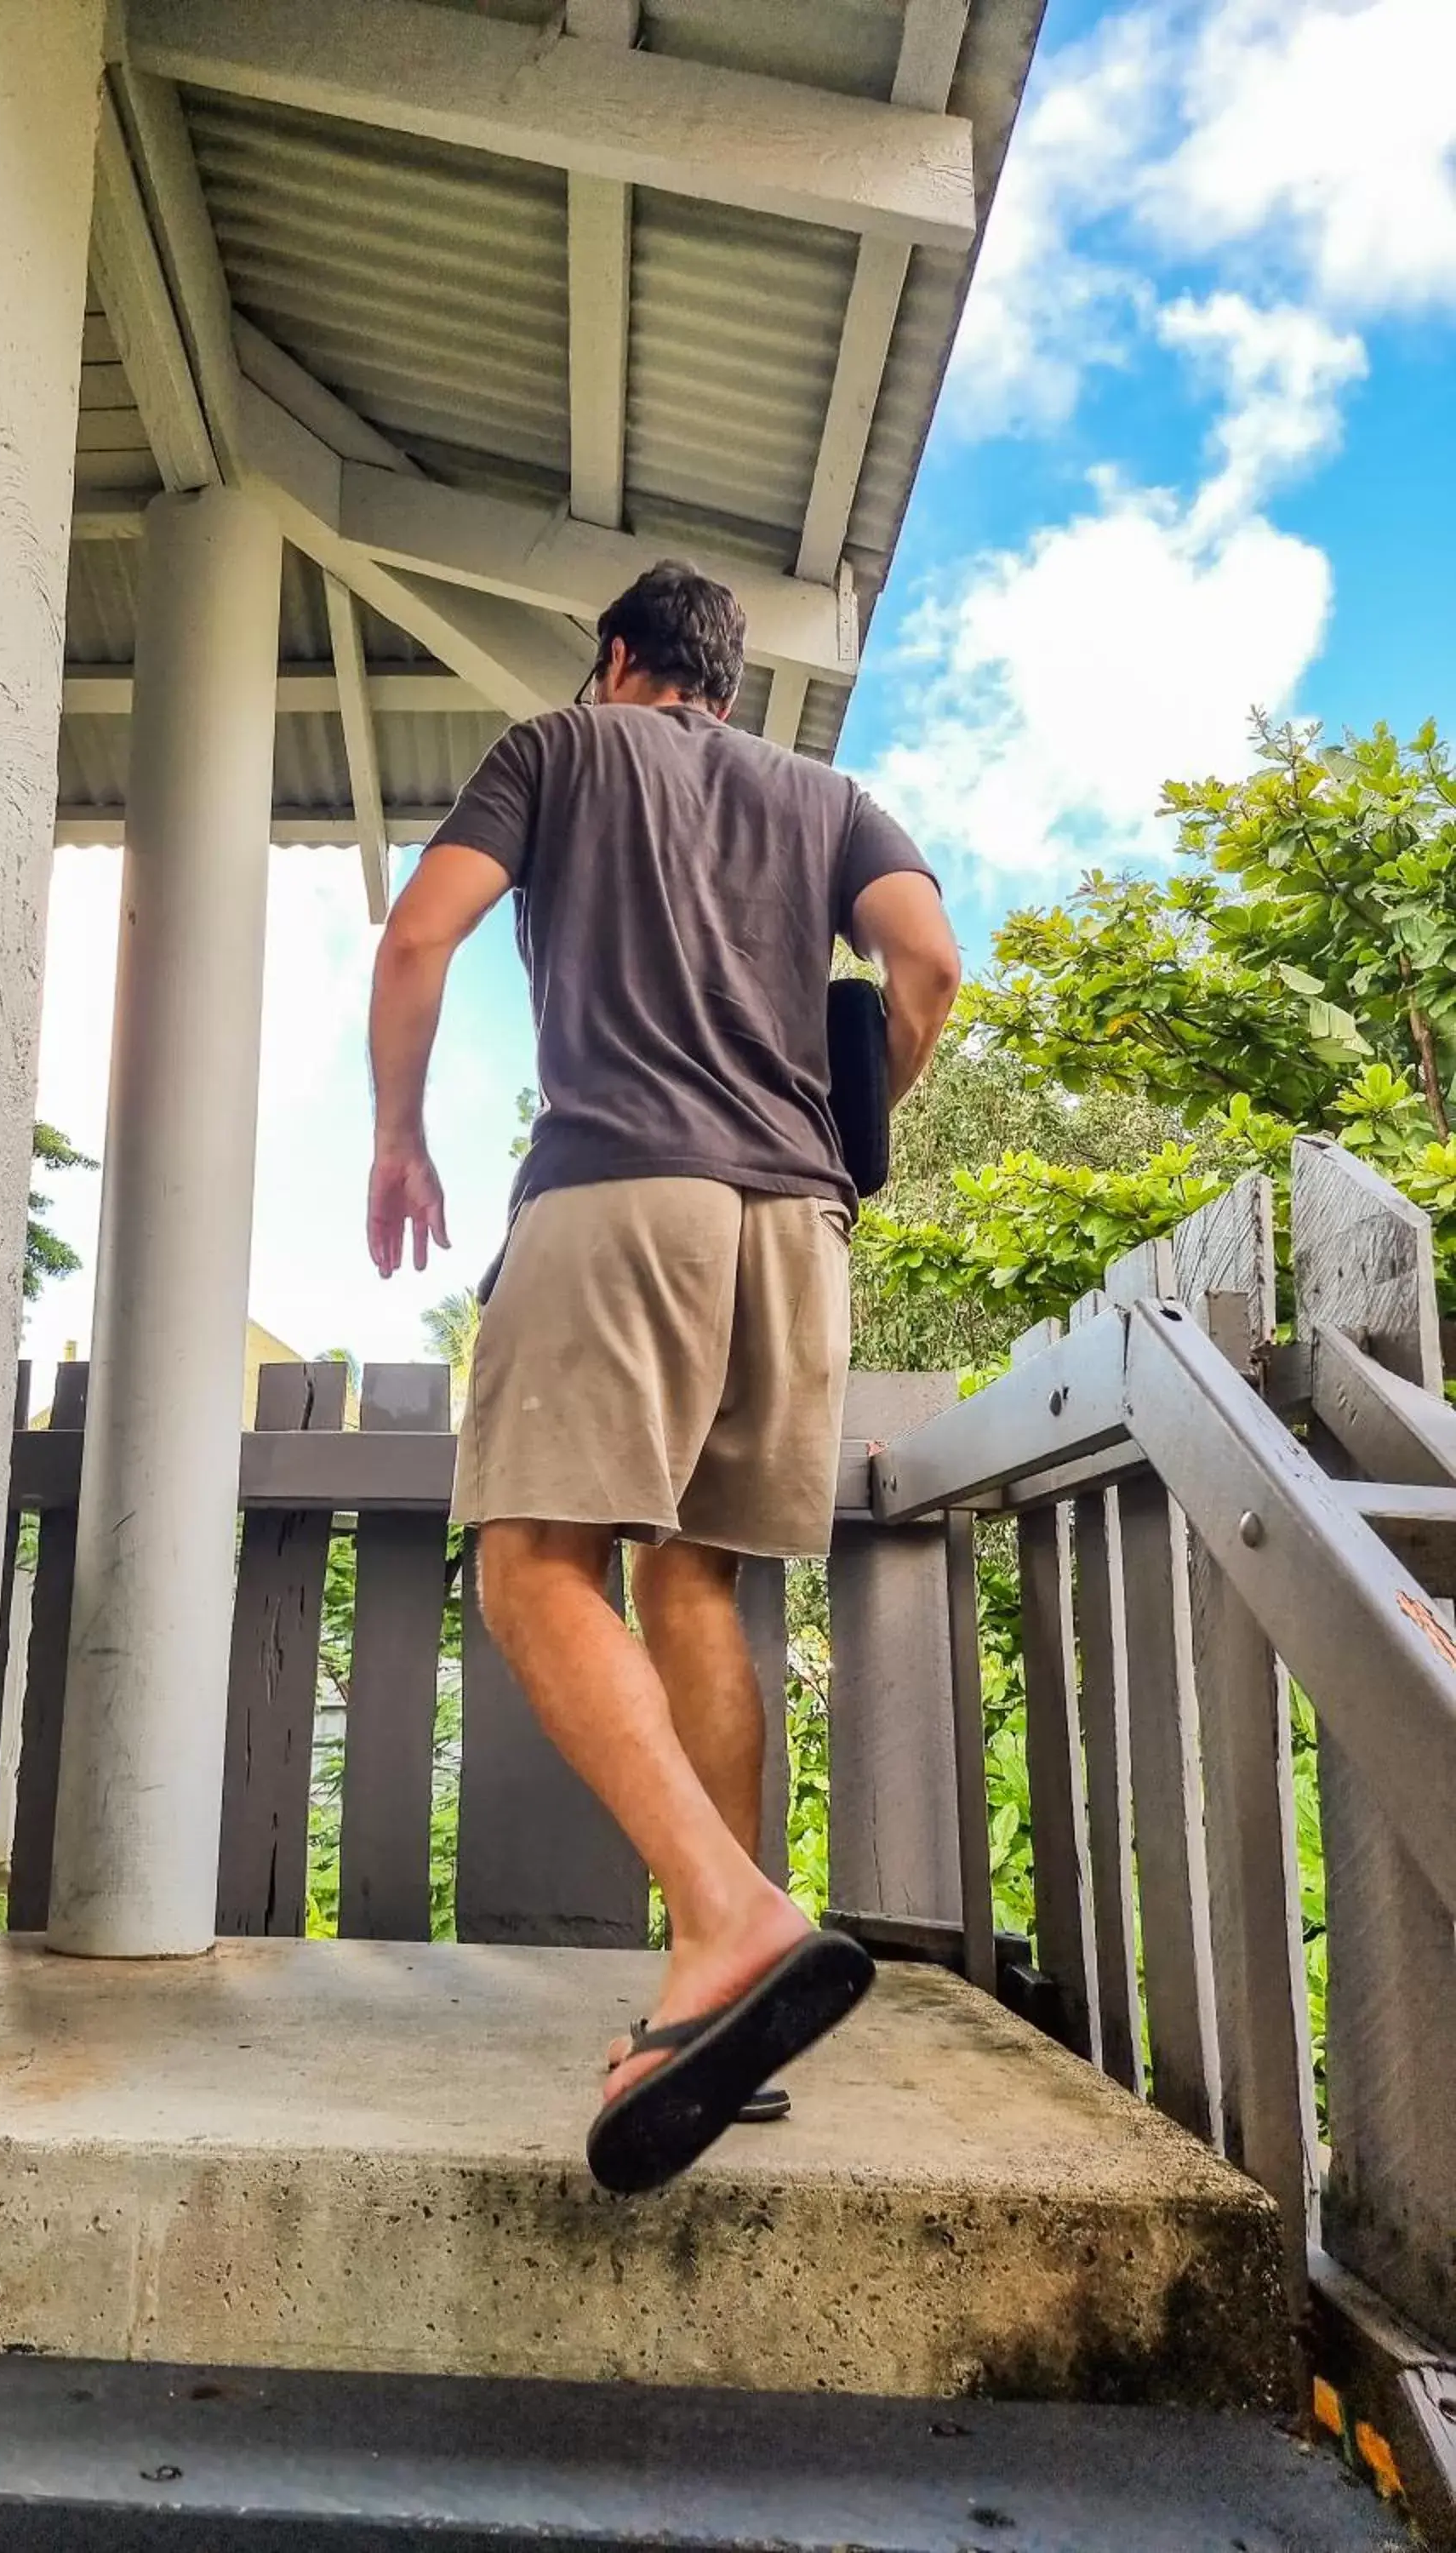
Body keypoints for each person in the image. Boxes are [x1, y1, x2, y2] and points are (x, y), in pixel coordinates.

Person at [365, 561, 961, 2193]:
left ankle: (726, 1920)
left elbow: (421, 936)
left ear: (616, 659)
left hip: (618, 1184)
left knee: (532, 1570)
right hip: (795, 1225)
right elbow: (926, 973)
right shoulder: (827, 793)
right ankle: (727, 1997)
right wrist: (849, 1125)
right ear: (730, 681)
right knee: (692, 1587)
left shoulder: (561, 747)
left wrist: (398, 1136)